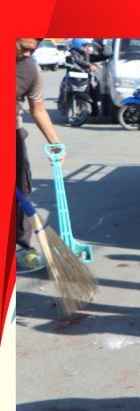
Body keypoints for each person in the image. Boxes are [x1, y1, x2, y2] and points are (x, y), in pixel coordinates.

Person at [15, 39, 65, 273]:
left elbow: (38, 109)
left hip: (13, 135)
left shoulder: (30, 69)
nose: (27, 53)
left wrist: (55, 142)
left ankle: (23, 247)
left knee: (21, 192)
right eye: (22, 46)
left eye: (32, 49)